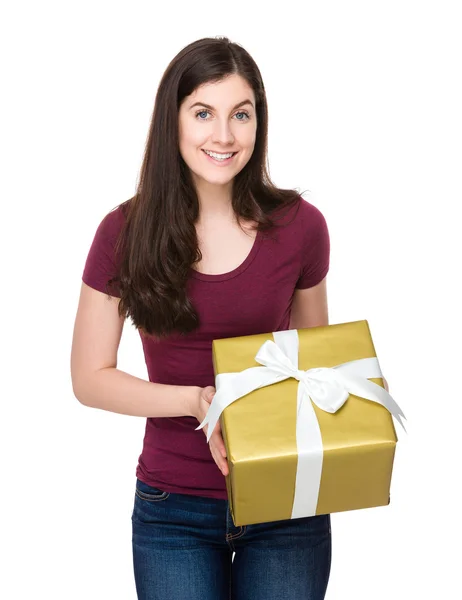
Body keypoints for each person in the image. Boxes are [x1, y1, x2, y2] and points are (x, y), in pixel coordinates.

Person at [71, 36, 333, 600]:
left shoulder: (301, 226)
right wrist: (196, 401)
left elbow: (319, 367)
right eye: (203, 113)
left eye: (241, 114)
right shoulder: (123, 233)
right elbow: (89, 378)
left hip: (285, 501)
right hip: (175, 509)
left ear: (258, 122)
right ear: (174, 121)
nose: (224, 135)